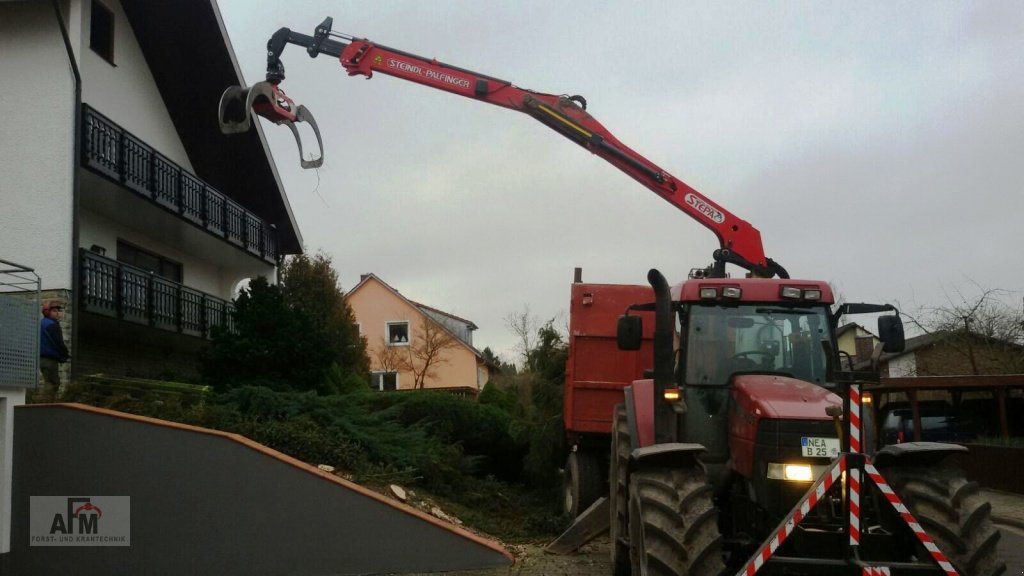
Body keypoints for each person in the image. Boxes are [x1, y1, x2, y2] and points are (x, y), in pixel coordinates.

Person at [39, 300, 70, 400]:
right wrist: (65, 354)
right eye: (54, 311)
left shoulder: (41, 324)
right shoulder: (52, 325)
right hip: (50, 360)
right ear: (47, 312)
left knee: (48, 381)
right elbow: (59, 342)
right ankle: (44, 407)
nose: (58, 313)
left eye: (58, 311)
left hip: (41, 359)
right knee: (53, 383)